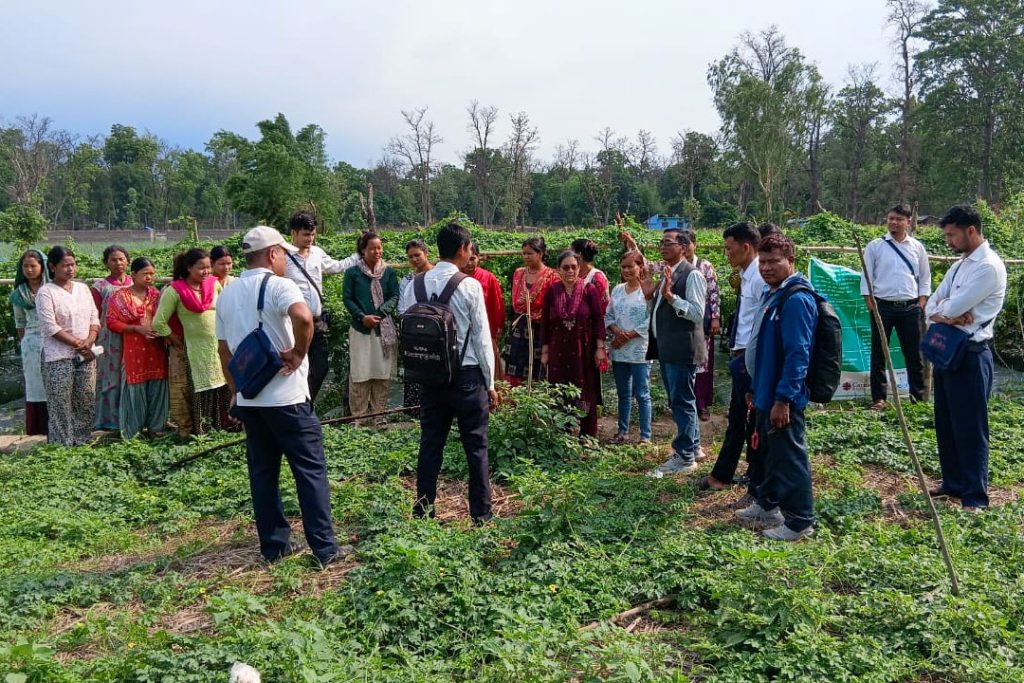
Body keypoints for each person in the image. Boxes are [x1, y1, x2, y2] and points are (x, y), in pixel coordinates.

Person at [216, 225, 345, 566]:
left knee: (263, 474)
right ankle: (324, 549)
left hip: (251, 401)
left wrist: (237, 390)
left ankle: (274, 547)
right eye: (284, 254)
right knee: (310, 471)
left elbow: (224, 351)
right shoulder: (279, 285)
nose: (287, 260)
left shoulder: (227, 292)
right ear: (272, 254)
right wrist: (299, 353)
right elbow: (303, 317)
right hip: (287, 399)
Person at [397, 222, 497, 524]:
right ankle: (481, 516)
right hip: (467, 377)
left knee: (430, 444)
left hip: (430, 377)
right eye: (470, 247)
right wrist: (490, 382)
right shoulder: (469, 286)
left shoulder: (414, 286)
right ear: (463, 249)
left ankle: (423, 510)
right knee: (476, 448)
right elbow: (481, 338)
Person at [924, 204, 1007, 511]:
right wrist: (944, 313)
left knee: (970, 426)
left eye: (952, 235)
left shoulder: (988, 267)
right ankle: (954, 482)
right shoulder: (960, 265)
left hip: (971, 353)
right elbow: (931, 305)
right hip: (948, 349)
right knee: (946, 421)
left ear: (971, 230)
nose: (949, 241)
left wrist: (946, 312)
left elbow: (951, 307)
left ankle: (975, 496)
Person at [738, 233, 817, 541]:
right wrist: (756, 387)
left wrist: (784, 398)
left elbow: (798, 354)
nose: (767, 268)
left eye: (774, 261)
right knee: (769, 453)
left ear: (791, 261)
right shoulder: (774, 294)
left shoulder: (796, 299)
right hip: (765, 390)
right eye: (763, 261)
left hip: (782, 396)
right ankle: (768, 504)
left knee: (789, 456)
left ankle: (800, 521)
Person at [699, 223, 766, 498]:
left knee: (746, 419)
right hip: (742, 355)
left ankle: (737, 476)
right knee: (740, 418)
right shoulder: (746, 275)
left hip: (751, 358)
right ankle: (734, 474)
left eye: (729, 248)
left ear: (746, 247)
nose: (726, 254)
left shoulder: (760, 277)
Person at [644, 230, 707, 476]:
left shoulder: (692, 274)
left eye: (668, 243)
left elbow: (697, 313)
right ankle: (694, 448)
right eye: (661, 243)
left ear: (683, 246)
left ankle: (684, 457)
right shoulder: (668, 273)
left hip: (683, 348)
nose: (663, 247)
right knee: (681, 399)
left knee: (682, 401)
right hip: (669, 347)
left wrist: (671, 298)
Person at [153, 248, 231, 434]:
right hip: (194, 350)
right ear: (189, 268)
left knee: (224, 384)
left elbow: (225, 311)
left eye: (208, 267)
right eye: (201, 268)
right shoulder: (175, 290)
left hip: (219, 346)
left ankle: (225, 428)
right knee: (201, 388)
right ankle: (203, 432)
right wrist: (174, 339)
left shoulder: (214, 284)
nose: (206, 272)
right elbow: (158, 322)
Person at [860, 203, 931, 409]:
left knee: (914, 355)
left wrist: (921, 302)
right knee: (879, 353)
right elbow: (866, 277)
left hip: (911, 308)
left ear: (908, 222)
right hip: (882, 307)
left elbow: (925, 278)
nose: (894, 222)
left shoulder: (917, 247)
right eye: (891, 218)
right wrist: (870, 303)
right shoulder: (875, 246)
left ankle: (917, 400)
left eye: (899, 219)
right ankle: (879, 399)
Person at [285, 212, 360, 401]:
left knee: (320, 367)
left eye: (312, 234)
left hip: (316, 322)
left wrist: (359, 254)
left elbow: (337, 266)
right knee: (295, 367)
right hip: (293, 324)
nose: (310, 239)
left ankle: (306, 404)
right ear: (293, 233)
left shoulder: (317, 253)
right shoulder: (283, 258)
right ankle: (297, 406)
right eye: (305, 234)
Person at [35, 246, 100, 446]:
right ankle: (62, 445)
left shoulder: (83, 288)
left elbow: (94, 317)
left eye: (73, 264)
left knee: (86, 399)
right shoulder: (46, 292)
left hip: (86, 354)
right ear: (52, 267)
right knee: (60, 402)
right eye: (65, 265)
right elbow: (50, 326)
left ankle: (81, 441)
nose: (70, 269)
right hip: (58, 356)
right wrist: (77, 343)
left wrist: (89, 340)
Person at [540, 251, 608, 438]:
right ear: (558, 270)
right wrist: (545, 351)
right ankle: (562, 434)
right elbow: (545, 322)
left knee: (585, 390)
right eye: (565, 267)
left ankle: (586, 435)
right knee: (559, 390)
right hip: (558, 351)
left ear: (579, 268)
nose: (570, 271)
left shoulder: (589, 290)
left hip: (583, 351)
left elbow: (598, 319)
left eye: (573, 267)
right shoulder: (552, 291)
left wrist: (600, 348)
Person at [105, 257, 169, 440]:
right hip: (134, 349)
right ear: (133, 274)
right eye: (145, 274)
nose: (149, 277)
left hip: (155, 348)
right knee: (134, 387)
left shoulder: (155, 295)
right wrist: (135, 329)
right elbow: (111, 321)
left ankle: (157, 427)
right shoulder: (120, 296)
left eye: (152, 274)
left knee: (158, 385)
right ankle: (133, 432)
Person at [342, 231, 399, 420]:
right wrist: (361, 317)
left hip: (383, 330)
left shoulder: (388, 272)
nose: (377, 252)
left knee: (381, 372)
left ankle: (379, 415)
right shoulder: (352, 273)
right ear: (363, 250)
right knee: (360, 372)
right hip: (360, 330)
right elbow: (348, 298)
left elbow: (394, 296)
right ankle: (359, 417)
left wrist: (380, 314)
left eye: (379, 248)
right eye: (373, 248)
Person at [604, 250, 652, 444]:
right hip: (619, 349)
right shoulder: (617, 290)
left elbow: (650, 319)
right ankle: (622, 431)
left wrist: (629, 335)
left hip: (640, 350)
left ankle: (645, 435)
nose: (626, 270)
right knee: (623, 393)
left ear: (640, 267)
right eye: (623, 267)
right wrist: (618, 333)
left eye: (631, 266)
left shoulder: (647, 290)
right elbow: (608, 315)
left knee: (642, 393)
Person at [503, 237, 558, 387]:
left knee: (537, 367)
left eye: (530, 253)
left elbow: (553, 306)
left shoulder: (552, 276)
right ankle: (515, 398)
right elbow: (515, 302)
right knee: (514, 366)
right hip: (519, 328)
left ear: (540, 254)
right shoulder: (518, 273)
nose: (526, 257)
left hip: (540, 328)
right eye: (524, 253)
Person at [681, 229, 721, 421]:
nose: (685, 248)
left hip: (702, 321)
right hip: (681, 321)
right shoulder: (676, 266)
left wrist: (715, 317)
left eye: (687, 243)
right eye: (681, 244)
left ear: (694, 244)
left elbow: (714, 293)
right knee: (683, 360)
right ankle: (682, 403)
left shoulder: (704, 266)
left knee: (702, 362)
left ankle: (702, 404)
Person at [10, 249, 50, 435]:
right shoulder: (19, 294)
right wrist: (27, 343)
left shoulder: (53, 289)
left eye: (33, 266)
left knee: (54, 382)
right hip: (31, 343)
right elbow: (20, 323)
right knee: (35, 384)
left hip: (55, 339)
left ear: (43, 266)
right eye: (25, 266)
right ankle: (38, 427)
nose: (29, 270)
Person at [91, 245, 131, 430]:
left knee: (130, 377)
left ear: (127, 262)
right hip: (108, 339)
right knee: (109, 378)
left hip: (132, 337)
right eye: (113, 260)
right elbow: (94, 314)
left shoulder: (135, 282)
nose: (118, 263)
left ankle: (130, 417)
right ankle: (108, 420)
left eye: (121, 259)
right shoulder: (100, 287)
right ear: (106, 263)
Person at [398, 239, 434, 413]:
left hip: (434, 333)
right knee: (415, 370)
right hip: (413, 332)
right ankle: (414, 410)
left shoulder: (436, 276)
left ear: (426, 253)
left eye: (417, 255)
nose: (414, 259)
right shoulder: (407, 280)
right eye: (410, 257)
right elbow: (402, 308)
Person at [462, 243, 506, 381]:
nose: (469, 263)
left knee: (490, 359)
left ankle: (494, 388)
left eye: (473, 259)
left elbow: (497, 302)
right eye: (467, 259)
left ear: (479, 258)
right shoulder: (457, 276)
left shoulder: (488, 277)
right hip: (463, 329)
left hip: (486, 327)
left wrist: (498, 326)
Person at [571, 238, 610, 311]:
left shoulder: (597, 277)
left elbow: (602, 307)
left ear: (579, 255)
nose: (568, 256)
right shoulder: (575, 274)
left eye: (571, 253)